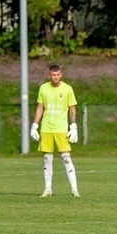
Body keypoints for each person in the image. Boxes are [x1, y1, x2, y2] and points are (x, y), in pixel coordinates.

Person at [29, 64, 80, 198]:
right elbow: (40, 108)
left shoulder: (68, 89)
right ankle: (47, 189)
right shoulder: (43, 88)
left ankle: (74, 190)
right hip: (46, 128)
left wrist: (73, 127)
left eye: (58, 75)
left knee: (66, 159)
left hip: (61, 129)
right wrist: (34, 125)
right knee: (47, 159)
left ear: (61, 75)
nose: (55, 77)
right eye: (53, 75)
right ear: (49, 75)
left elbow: (72, 109)